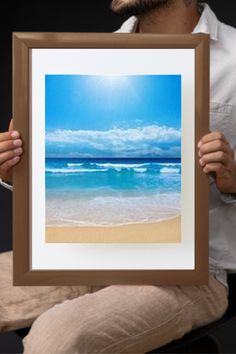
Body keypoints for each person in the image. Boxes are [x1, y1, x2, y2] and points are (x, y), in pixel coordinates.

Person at [0, 0, 235, 353]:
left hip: (195, 272)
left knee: (57, 339)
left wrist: (233, 180)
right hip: (86, 254)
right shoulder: (90, 56)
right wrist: (16, 171)